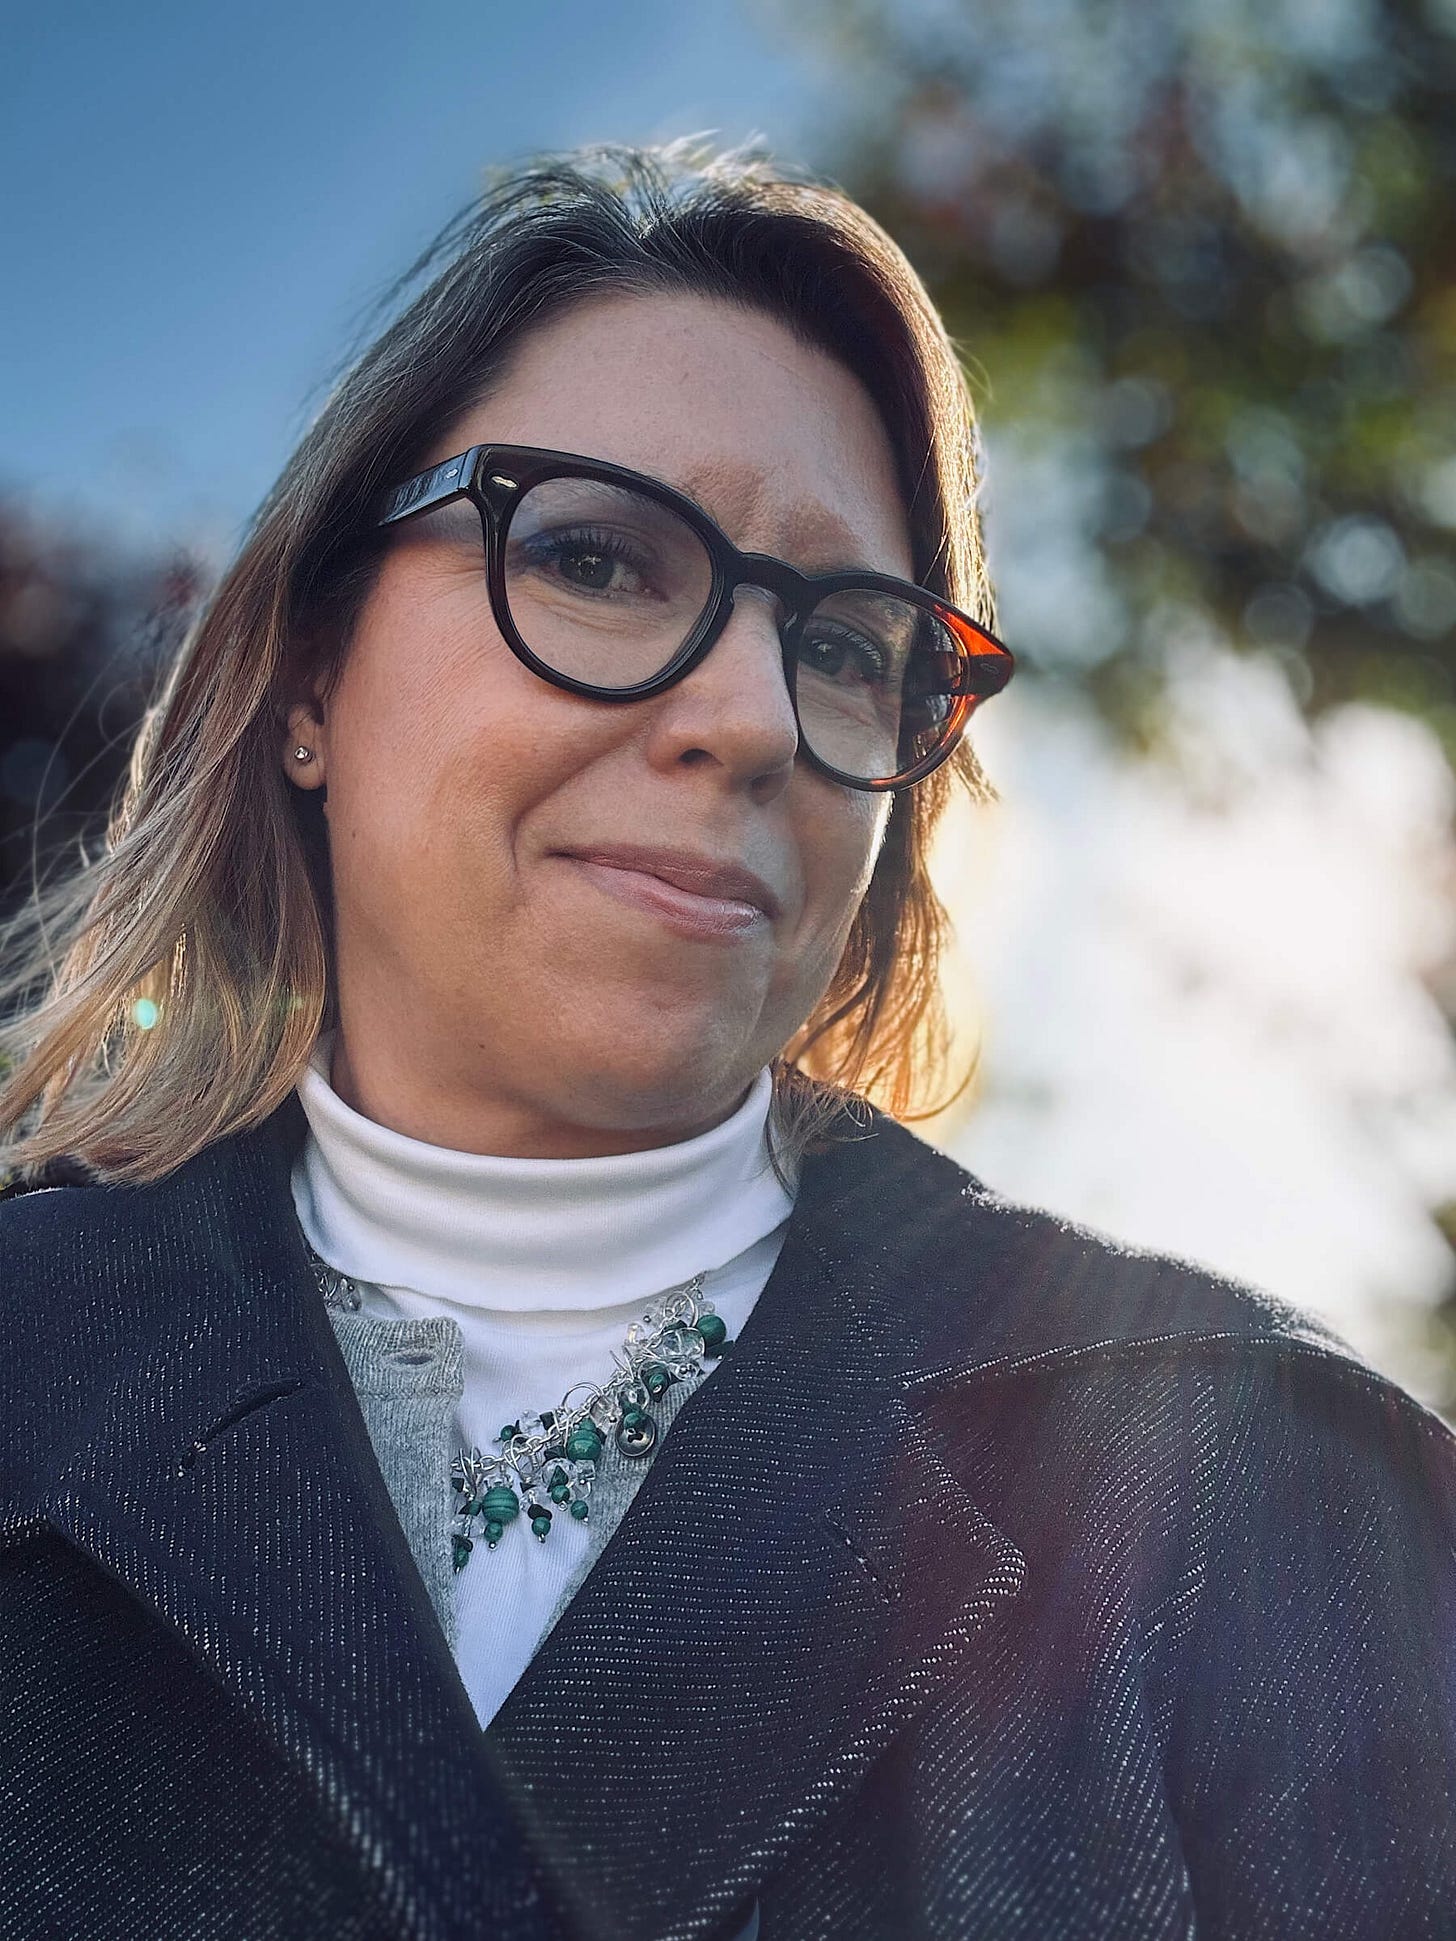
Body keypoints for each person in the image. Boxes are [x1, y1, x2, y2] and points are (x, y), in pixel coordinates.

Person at [0, 134, 1451, 1941]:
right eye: (598, 556)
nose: (754, 716)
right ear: (308, 673)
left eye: (847, 645)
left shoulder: (1272, 1496)